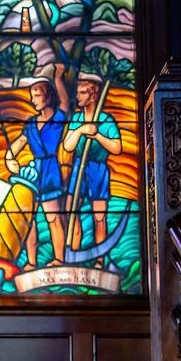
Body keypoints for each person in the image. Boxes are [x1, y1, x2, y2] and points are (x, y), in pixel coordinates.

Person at [4, 77, 69, 266]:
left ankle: (59, 259)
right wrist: (10, 160)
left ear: (48, 97)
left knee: (53, 218)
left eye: (37, 96)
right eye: (32, 96)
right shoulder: (31, 123)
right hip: (32, 175)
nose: (33, 100)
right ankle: (31, 262)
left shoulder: (57, 119)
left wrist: (58, 77)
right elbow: (17, 147)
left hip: (50, 172)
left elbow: (65, 102)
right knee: (29, 222)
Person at [62, 75, 122, 263]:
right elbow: (68, 146)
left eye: (82, 93)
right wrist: (81, 130)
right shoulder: (77, 119)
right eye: (77, 92)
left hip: (98, 169)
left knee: (99, 217)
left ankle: (100, 260)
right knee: (71, 210)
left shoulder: (106, 120)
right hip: (79, 167)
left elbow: (117, 148)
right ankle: (73, 252)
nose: (78, 97)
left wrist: (97, 136)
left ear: (94, 95)